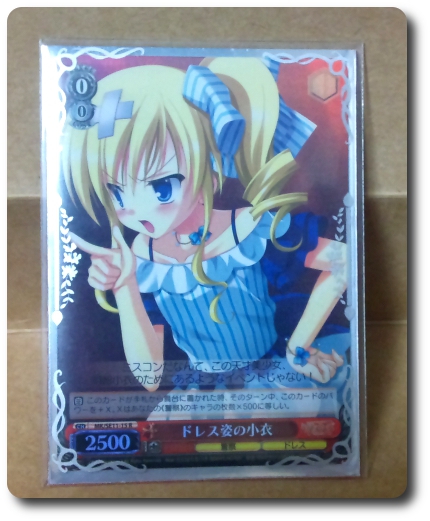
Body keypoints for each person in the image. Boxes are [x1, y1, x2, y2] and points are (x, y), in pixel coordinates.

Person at [65, 57, 349, 418]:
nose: (137, 211)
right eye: (117, 194)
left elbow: (343, 260)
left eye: (162, 187)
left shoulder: (246, 231)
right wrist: (125, 287)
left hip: (273, 382)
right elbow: (149, 377)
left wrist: (299, 347)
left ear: (210, 175)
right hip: (203, 397)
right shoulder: (144, 262)